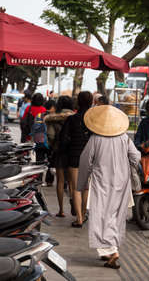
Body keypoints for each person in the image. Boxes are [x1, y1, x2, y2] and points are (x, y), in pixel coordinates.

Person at [78, 105, 141, 269]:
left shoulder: (94, 139)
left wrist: (81, 183)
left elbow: (85, 162)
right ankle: (109, 250)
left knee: (100, 215)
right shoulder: (124, 138)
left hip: (101, 182)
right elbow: (136, 157)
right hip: (122, 182)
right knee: (115, 215)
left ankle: (111, 250)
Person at [60, 91, 93, 227]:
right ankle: (84, 214)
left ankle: (78, 218)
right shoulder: (93, 120)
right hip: (89, 156)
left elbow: (63, 139)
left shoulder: (71, 119)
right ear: (91, 102)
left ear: (78, 102)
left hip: (74, 155)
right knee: (85, 188)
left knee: (76, 188)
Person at [44, 96, 75, 217]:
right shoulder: (75, 117)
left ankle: (61, 210)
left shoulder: (53, 119)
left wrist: (54, 145)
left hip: (59, 152)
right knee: (72, 182)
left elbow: (50, 136)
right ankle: (74, 203)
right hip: (72, 152)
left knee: (60, 181)